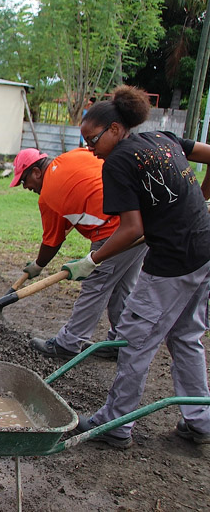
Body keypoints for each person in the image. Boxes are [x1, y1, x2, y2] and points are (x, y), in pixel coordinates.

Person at [66, 85, 210, 448]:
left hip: (173, 262)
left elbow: (132, 230)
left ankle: (114, 424)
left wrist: (90, 260)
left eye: (92, 140)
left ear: (115, 129)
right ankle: (201, 421)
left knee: (133, 340)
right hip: (204, 248)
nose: (90, 149)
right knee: (185, 335)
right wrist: (198, 200)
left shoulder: (117, 163)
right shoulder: (163, 138)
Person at [10, 147, 146, 359]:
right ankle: (119, 342)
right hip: (140, 220)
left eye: (25, 181)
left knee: (96, 285)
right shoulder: (74, 155)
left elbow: (52, 241)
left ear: (37, 172)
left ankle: (68, 344)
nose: (26, 187)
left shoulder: (48, 195)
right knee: (122, 285)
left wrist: (38, 266)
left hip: (115, 231)